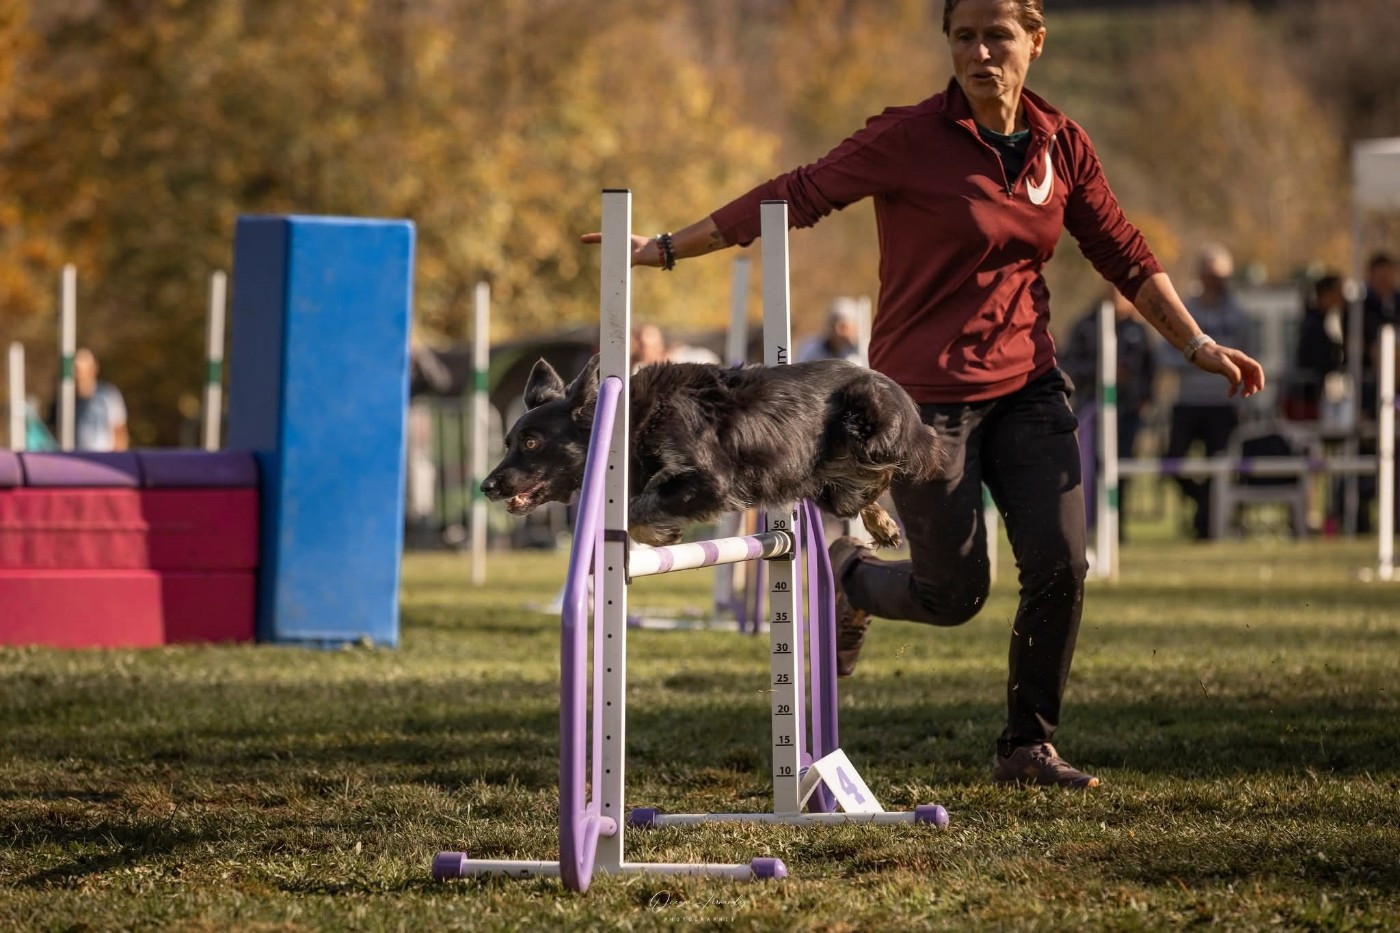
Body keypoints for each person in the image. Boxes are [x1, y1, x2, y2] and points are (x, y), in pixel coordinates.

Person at [583, 0, 1263, 788]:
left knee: (1061, 564)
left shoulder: (1062, 144)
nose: (980, 53)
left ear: (1035, 43)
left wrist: (1198, 344)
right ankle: (849, 575)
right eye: (963, 36)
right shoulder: (907, 137)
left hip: (1032, 385)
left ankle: (1025, 745)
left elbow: (1124, 252)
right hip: (922, 401)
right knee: (953, 592)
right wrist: (666, 248)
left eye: (998, 36)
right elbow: (794, 195)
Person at [1158, 245, 1254, 540]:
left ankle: (1207, 526)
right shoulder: (1186, 311)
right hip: (1188, 402)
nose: (1214, 281)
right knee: (1171, 464)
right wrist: (1199, 358)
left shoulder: (1240, 315)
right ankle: (1205, 506)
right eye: (1209, 274)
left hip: (1223, 404)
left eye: (1220, 275)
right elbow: (1166, 353)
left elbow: (1249, 354)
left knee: (1221, 467)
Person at [1060, 287, 1157, 539]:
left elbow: (1149, 368)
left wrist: (1144, 397)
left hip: (1128, 411)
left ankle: (1117, 526)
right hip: (1092, 410)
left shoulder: (1138, 331)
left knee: (1122, 468)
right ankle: (1089, 523)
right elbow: (1068, 364)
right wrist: (1103, 373)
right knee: (1090, 468)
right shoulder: (1085, 326)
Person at [1283, 274, 1347, 423]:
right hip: (1304, 399)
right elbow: (1320, 359)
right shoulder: (1313, 325)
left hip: (1308, 397)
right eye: (1338, 292)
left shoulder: (1316, 321)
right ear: (1325, 295)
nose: (1342, 297)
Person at [72, 347, 129, 451]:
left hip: (102, 459)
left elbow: (119, 432)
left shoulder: (109, 395)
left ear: (94, 369)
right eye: (77, 370)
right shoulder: (64, 401)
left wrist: (118, 460)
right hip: (75, 461)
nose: (80, 375)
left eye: (85, 370)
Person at [797, 297, 864, 364]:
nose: (837, 331)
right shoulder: (812, 349)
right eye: (833, 325)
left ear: (855, 327)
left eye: (843, 327)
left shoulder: (863, 351)